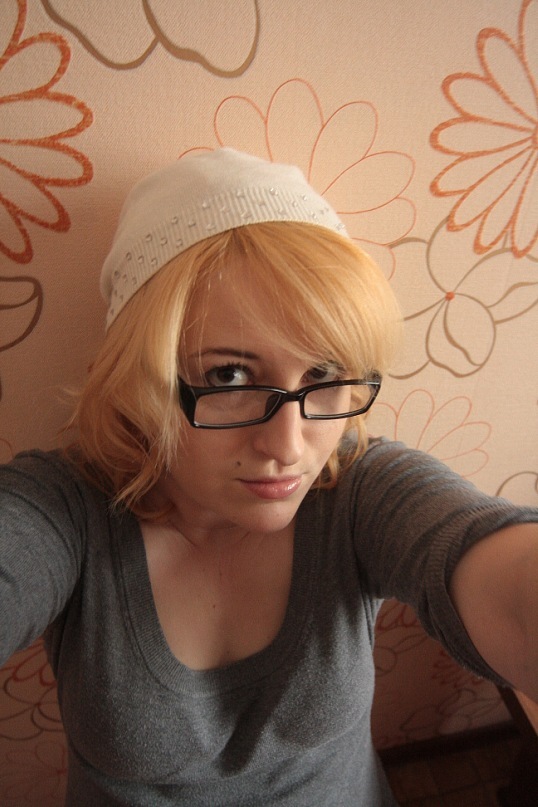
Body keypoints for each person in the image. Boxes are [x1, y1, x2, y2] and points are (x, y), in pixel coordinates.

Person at [0, 148, 536, 807]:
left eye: (324, 373)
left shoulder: (357, 491)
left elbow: (505, 582)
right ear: (141, 380)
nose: (288, 447)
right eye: (228, 375)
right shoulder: (66, 513)